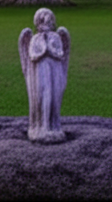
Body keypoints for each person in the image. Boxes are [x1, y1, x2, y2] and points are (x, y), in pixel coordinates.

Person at [18, 8, 70, 143]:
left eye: (49, 22)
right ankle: (41, 127)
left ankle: (54, 126)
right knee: (43, 97)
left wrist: (50, 48)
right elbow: (32, 56)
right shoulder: (35, 38)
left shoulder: (56, 37)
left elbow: (60, 54)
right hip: (40, 73)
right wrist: (43, 49)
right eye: (42, 21)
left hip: (54, 71)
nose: (46, 25)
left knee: (54, 97)